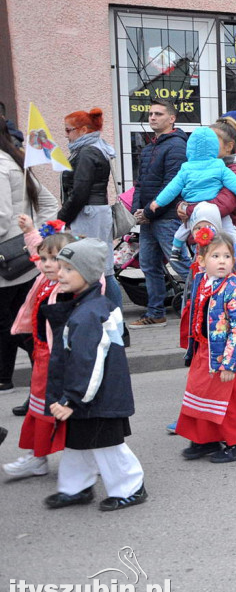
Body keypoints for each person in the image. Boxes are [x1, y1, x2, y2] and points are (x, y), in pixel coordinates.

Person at [43, 238, 146, 511]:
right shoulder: (84, 306)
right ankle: (75, 487)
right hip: (89, 395)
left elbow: (88, 363)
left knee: (107, 446)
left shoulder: (89, 313)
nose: (59, 273)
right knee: (77, 443)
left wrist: (70, 399)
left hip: (98, 398)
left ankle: (131, 487)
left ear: (87, 274)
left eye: (67, 269)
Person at [2, 227, 73, 478]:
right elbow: (38, 248)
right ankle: (37, 457)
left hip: (59, 359)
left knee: (60, 410)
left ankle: (85, 459)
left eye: (55, 259)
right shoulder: (43, 280)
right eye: (43, 260)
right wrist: (30, 231)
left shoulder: (68, 288)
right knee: (39, 408)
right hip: (41, 354)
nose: (47, 265)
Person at [175, 232, 236, 462]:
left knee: (225, 403)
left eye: (227, 256)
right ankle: (205, 438)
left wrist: (230, 363)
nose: (222, 261)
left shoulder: (235, 288)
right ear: (201, 260)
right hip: (204, 350)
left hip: (225, 356)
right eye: (215, 256)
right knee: (198, 394)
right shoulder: (204, 281)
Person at [0, 120, 57, 395]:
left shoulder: (2, 164)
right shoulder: (15, 159)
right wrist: (35, 237)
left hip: (8, 262)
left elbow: (0, 220)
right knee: (19, 322)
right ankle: (18, 378)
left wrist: (37, 236)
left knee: (18, 325)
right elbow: (49, 204)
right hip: (23, 260)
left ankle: (45, 378)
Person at [130, 97, 191, 329]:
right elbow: (141, 183)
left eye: (158, 114)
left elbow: (172, 186)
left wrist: (149, 212)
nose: (152, 117)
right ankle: (156, 313)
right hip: (148, 219)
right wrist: (138, 211)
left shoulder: (176, 146)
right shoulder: (150, 147)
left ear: (172, 118)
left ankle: (200, 308)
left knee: (183, 266)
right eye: (151, 114)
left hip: (166, 219)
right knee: (149, 266)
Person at [150, 126, 236, 260]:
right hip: (215, 209)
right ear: (214, 147)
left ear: (190, 148)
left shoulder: (186, 169)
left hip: (194, 209)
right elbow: (234, 183)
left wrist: (159, 202)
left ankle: (175, 251)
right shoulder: (219, 166)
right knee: (231, 231)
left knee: (182, 231)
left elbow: (172, 188)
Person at [59, 107, 122, 310]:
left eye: (69, 130)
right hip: (95, 212)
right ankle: (115, 324)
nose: (66, 134)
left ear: (83, 130)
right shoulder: (95, 148)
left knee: (97, 269)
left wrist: (62, 217)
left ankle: (113, 322)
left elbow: (80, 190)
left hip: (89, 214)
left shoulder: (87, 151)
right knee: (102, 268)